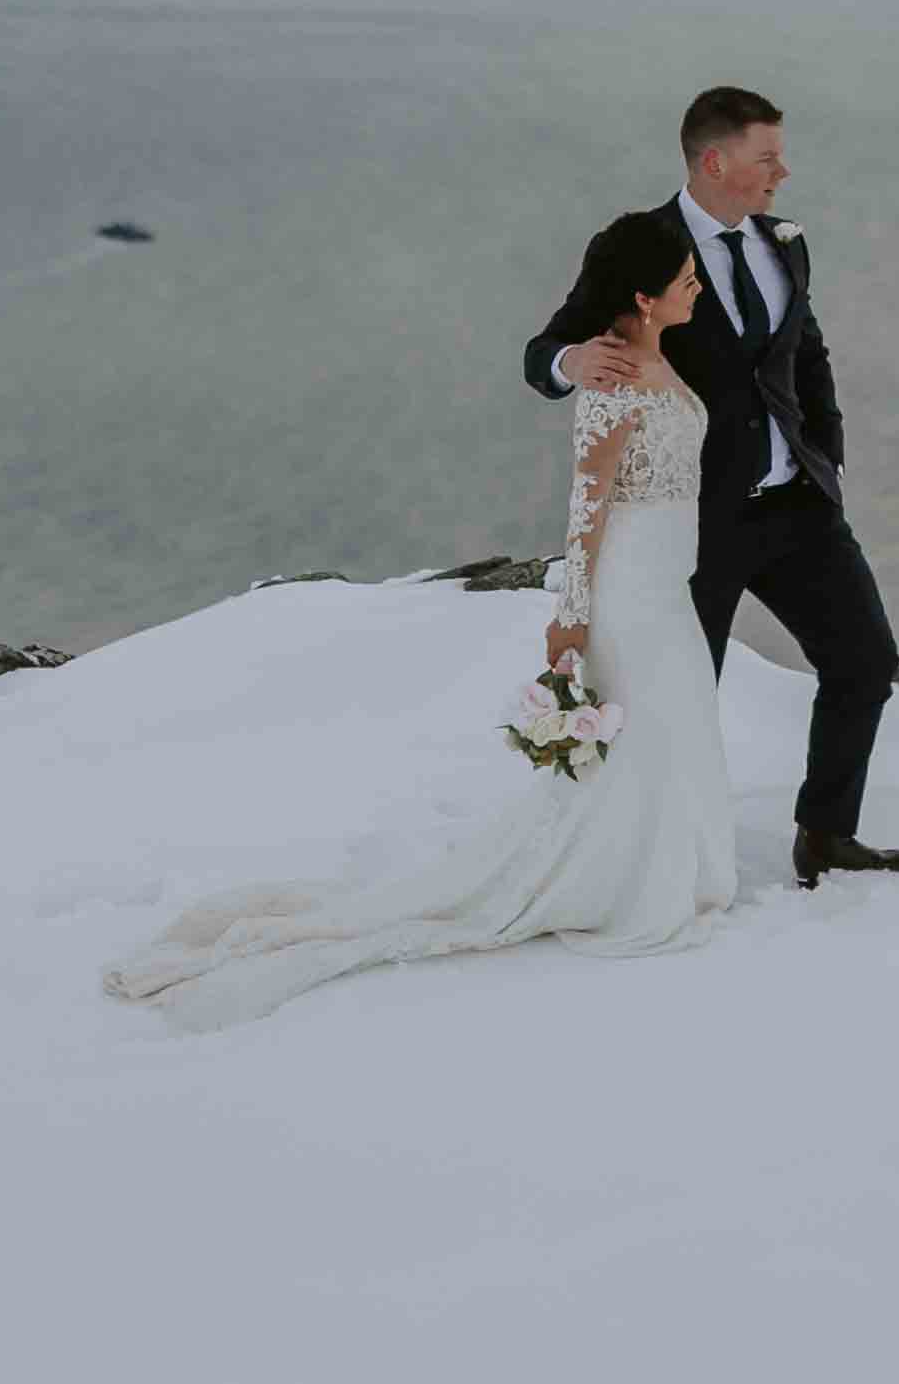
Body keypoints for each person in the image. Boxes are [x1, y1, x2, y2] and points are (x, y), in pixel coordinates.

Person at [105, 232, 739, 1025]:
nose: (698, 288)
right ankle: (624, 879)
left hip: (667, 581)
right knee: (645, 727)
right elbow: (588, 504)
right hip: (630, 590)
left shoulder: (661, 359)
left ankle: (670, 862)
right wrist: (571, 614)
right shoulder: (610, 381)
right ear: (644, 299)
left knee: (675, 720)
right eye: (684, 280)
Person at [524, 85, 899, 889]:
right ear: (716, 161)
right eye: (766, 156)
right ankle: (628, 855)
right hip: (690, 525)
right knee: (673, 695)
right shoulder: (639, 243)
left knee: (864, 663)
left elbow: (805, 352)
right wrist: (568, 365)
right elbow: (551, 342)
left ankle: (824, 835)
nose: (782, 171)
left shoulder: (786, 242)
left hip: (796, 506)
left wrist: (827, 453)